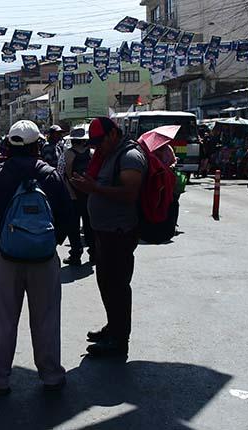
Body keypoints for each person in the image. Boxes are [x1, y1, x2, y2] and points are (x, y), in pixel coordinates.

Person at [0, 120, 71, 394]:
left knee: (3, 319)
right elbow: (67, 217)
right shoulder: (50, 175)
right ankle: (51, 375)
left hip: (4, 260)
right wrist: (48, 242)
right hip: (44, 260)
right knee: (47, 318)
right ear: (37, 145)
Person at [70, 117, 147, 358]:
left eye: (99, 141)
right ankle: (112, 327)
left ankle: (119, 341)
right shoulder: (108, 154)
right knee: (106, 283)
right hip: (104, 231)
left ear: (114, 133)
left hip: (119, 232)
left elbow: (129, 193)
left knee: (117, 286)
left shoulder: (130, 156)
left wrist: (94, 189)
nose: (96, 147)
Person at [62, 126, 95, 266]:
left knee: (73, 227)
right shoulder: (91, 153)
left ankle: (75, 255)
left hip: (73, 194)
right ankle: (94, 253)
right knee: (89, 226)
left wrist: (71, 190)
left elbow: (67, 174)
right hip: (88, 193)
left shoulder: (69, 153)